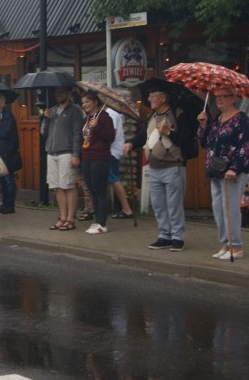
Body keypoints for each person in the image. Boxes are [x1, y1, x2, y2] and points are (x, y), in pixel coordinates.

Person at [123, 89, 197, 251]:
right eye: (149, 95)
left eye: (153, 96)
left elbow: (186, 139)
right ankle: (165, 235)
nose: (149, 98)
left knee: (174, 205)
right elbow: (144, 135)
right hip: (154, 168)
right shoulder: (152, 116)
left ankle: (177, 237)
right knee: (158, 204)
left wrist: (168, 132)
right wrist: (131, 143)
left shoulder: (179, 115)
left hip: (173, 167)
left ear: (163, 98)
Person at [197, 89, 249, 260]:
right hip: (215, 170)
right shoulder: (217, 120)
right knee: (218, 208)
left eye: (223, 96)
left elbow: (245, 145)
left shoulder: (241, 119)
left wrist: (235, 168)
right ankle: (225, 243)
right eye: (217, 96)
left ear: (233, 98)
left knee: (230, 208)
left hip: (232, 171)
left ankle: (236, 247)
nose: (218, 99)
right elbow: (205, 142)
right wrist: (203, 125)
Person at [41, 86, 84, 231]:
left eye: (61, 91)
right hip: (51, 152)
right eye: (56, 92)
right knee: (57, 186)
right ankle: (63, 216)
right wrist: (46, 119)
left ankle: (71, 218)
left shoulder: (75, 111)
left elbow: (78, 133)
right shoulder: (52, 111)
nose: (58, 94)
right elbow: (43, 132)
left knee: (69, 186)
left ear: (68, 93)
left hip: (67, 152)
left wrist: (76, 154)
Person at [79, 92, 115, 234]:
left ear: (94, 102)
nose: (85, 105)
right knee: (92, 190)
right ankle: (96, 220)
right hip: (87, 156)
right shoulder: (87, 118)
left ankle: (102, 223)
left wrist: (98, 126)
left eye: (87, 102)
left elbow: (110, 137)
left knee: (100, 190)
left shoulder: (104, 118)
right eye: (83, 103)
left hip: (100, 158)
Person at [0, 93, 20, 214]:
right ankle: (4, 203)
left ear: (3, 104)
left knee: (9, 180)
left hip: (8, 152)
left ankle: (10, 205)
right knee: (1, 180)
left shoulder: (8, 116)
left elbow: (4, 133)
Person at [106, 108, 135, 219]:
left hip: (111, 151)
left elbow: (111, 134)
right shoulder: (109, 113)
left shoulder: (111, 113)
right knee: (109, 178)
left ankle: (127, 209)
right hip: (110, 150)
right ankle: (106, 207)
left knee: (113, 177)